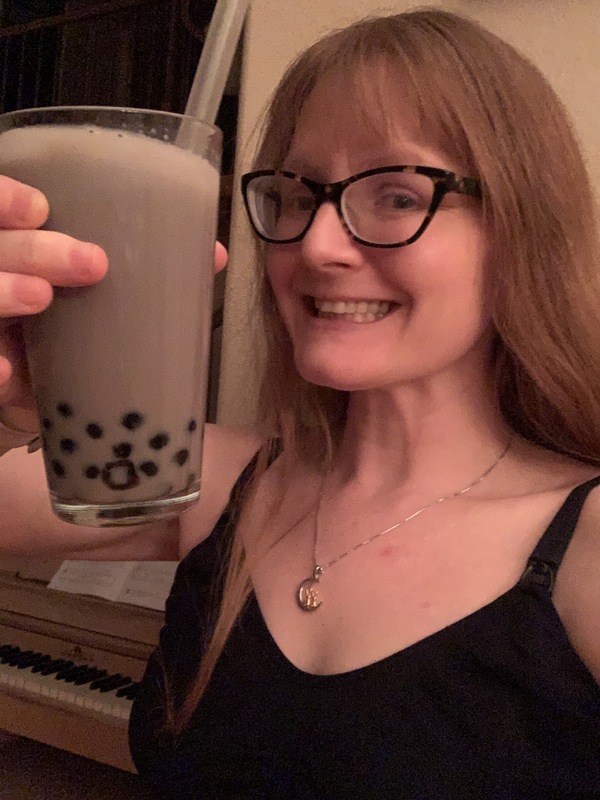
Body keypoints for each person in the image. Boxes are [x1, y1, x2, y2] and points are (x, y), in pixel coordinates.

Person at [0, 8, 599, 799]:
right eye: (294, 195)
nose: (314, 244)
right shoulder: (201, 480)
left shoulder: (586, 551)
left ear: (522, 228)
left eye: (397, 195)